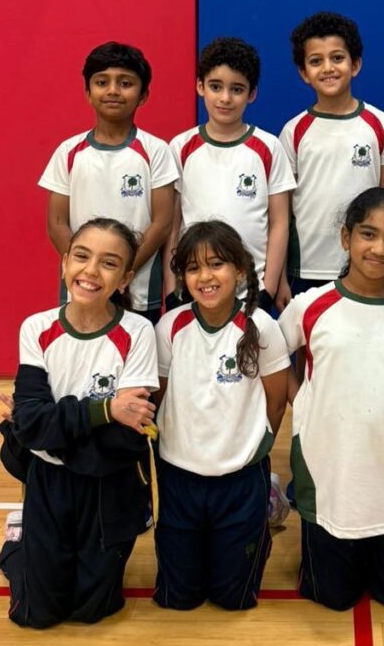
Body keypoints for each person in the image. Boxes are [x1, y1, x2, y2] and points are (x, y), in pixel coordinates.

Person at [278, 188, 384, 611]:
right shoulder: (310, 307)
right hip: (331, 470)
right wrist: (304, 399)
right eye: (368, 234)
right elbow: (272, 360)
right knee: (332, 597)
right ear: (345, 237)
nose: (379, 248)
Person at [0, 218, 159, 628]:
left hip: (108, 479)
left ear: (125, 279)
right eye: (82, 256)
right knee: (36, 614)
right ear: (64, 263)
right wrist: (105, 410)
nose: (91, 271)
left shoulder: (139, 332)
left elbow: (126, 435)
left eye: (109, 263)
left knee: (94, 610)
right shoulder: (36, 328)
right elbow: (31, 424)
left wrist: (46, 426)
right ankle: (17, 544)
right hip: (48, 481)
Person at [140, 221, 290, 610]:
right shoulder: (170, 327)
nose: (205, 277)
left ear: (239, 270)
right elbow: (160, 395)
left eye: (217, 264)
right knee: (178, 599)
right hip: (179, 478)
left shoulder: (262, 327)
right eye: (193, 268)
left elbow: (276, 402)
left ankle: (265, 506)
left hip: (241, 479)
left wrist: (256, 445)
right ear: (183, 277)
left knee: (233, 599)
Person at [39, 42, 179, 323]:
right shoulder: (68, 152)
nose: (113, 90)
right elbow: (56, 224)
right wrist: (89, 271)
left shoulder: (156, 151)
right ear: (88, 92)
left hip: (137, 290)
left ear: (143, 95)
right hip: (83, 289)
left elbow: (161, 224)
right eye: (102, 82)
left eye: (125, 83)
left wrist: (119, 273)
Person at [279, 12, 384, 305]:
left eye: (337, 58)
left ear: (355, 64)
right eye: (316, 61)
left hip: (369, 264)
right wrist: (282, 276)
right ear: (303, 73)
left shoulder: (381, 124)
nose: (328, 68)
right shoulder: (293, 131)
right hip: (307, 267)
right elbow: (282, 214)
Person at [164, 38, 295, 312]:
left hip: (252, 290)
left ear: (252, 94)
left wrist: (268, 288)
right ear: (200, 86)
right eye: (215, 87)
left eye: (237, 89)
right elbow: (172, 226)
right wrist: (171, 288)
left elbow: (279, 223)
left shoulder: (269, 147)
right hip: (195, 287)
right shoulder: (181, 147)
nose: (225, 98)